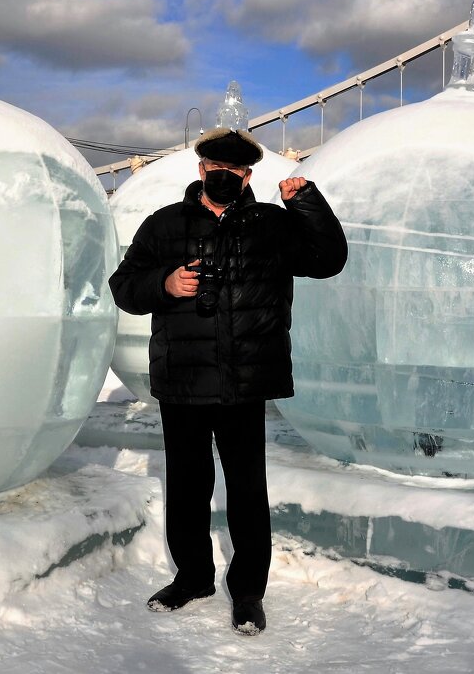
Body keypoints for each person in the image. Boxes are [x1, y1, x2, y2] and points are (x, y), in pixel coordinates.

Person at [108, 126, 347, 635]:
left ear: (248, 176)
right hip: (183, 380)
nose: (224, 178)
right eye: (217, 170)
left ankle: (248, 593)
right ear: (201, 170)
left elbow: (330, 259)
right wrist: (165, 283)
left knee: (245, 491)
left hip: (245, 380)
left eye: (235, 172)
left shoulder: (273, 225)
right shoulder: (164, 225)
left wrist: (306, 201)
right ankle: (193, 579)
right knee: (188, 488)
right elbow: (124, 287)